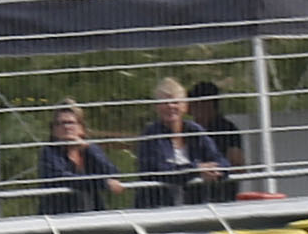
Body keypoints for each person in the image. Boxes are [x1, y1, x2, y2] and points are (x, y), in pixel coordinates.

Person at [134, 78, 224, 209]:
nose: (170, 106)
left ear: (185, 106)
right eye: (164, 102)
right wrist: (196, 170)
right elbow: (159, 171)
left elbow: (220, 160)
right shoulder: (150, 135)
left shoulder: (195, 131)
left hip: (196, 205)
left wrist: (215, 170)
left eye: (175, 102)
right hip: (157, 206)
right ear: (156, 107)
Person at [36, 102, 126, 214]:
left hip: (93, 212)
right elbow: (64, 179)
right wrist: (103, 183)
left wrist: (88, 148)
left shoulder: (91, 149)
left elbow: (112, 173)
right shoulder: (49, 152)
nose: (66, 127)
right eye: (60, 123)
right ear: (53, 130)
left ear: (81, 127)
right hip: (60, 214)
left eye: (71, 122)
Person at [187, 80, 245, 203]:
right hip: (194, 194)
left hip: (222, 193)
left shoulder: (227, 128)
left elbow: (237, 164)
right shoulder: (190, 130)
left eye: (195, 103)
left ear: (208, 104)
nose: (191, 109)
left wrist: (214, 168)